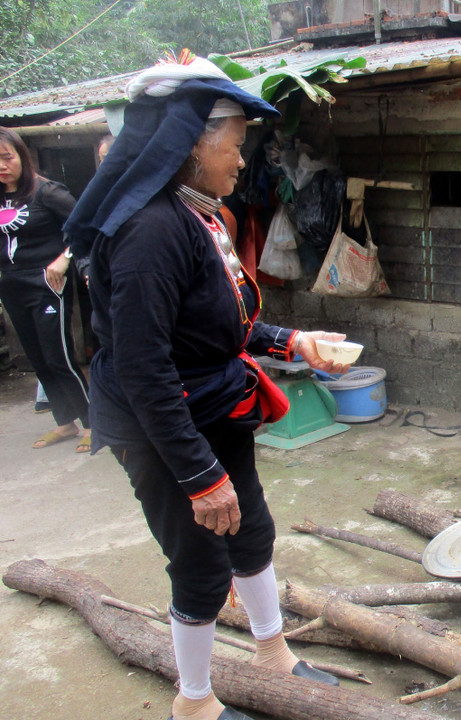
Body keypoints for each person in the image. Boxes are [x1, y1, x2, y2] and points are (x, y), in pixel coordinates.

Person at [64, 51, 350, 720]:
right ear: (190, 139)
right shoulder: (149, 233)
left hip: (214, 407)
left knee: (251, 532)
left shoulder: (199, 215)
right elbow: (143, 368)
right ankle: (193, 704)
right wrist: (198, 475)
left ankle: (272, 651)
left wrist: (291, 341)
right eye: (236, 142)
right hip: (164, 426)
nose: (243, 159)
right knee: (199, 563)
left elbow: (218, 324)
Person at [0, 126, 92, 452]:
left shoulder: (46, 192)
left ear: (21, 156)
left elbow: (83, 224)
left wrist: (64, 259)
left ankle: (92, 423)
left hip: (46, 284)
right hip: (11, 286)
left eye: (7, 157)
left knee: (59, 357)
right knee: (36, 358)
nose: (2, 165)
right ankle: (65, 423)